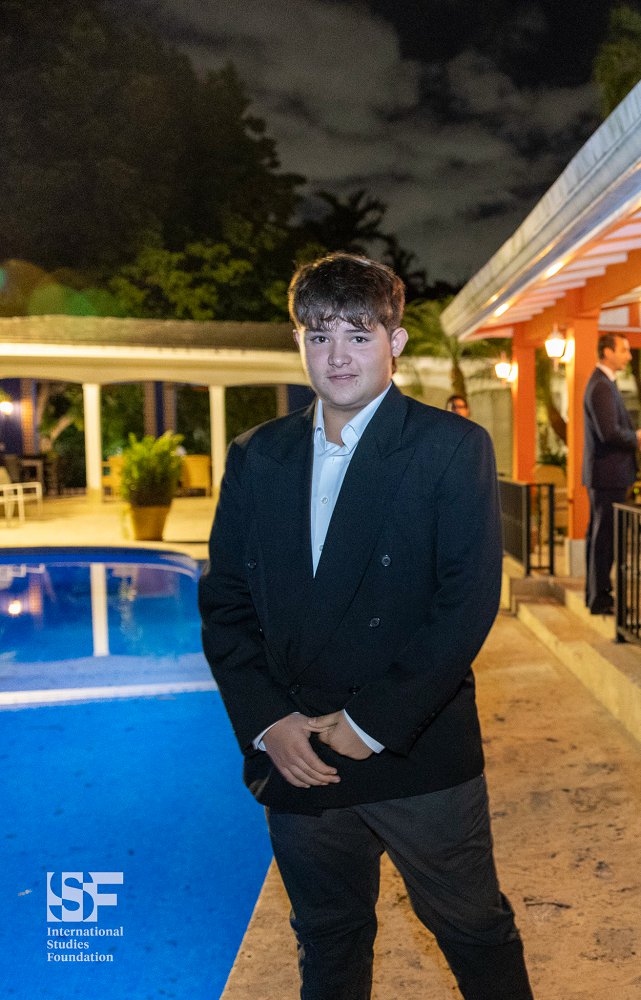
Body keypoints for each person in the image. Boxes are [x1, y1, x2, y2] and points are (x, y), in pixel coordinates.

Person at [199, 252, 533, 1000]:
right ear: (298, 343)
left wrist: (372, 722)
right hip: (300, 752)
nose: (338, 355)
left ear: (395, 341)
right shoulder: (257, 455)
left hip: (415, 748)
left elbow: (465, 601)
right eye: (318, 336)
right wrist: (268, 723)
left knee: (472, 930)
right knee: (328, 939)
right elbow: (226, 603)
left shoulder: (451, 448)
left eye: (358, 334)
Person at [583, 332, 641, 615]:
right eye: (624, 350)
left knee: (600, 535)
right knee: (605, 537)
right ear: (607, 352)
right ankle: (601, 598)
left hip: (607, 474)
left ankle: (595, 594)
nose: (629, 356)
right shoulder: (601, 386)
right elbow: (609, 433)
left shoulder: (604, 383)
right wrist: (637, 438)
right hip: (608, 475)